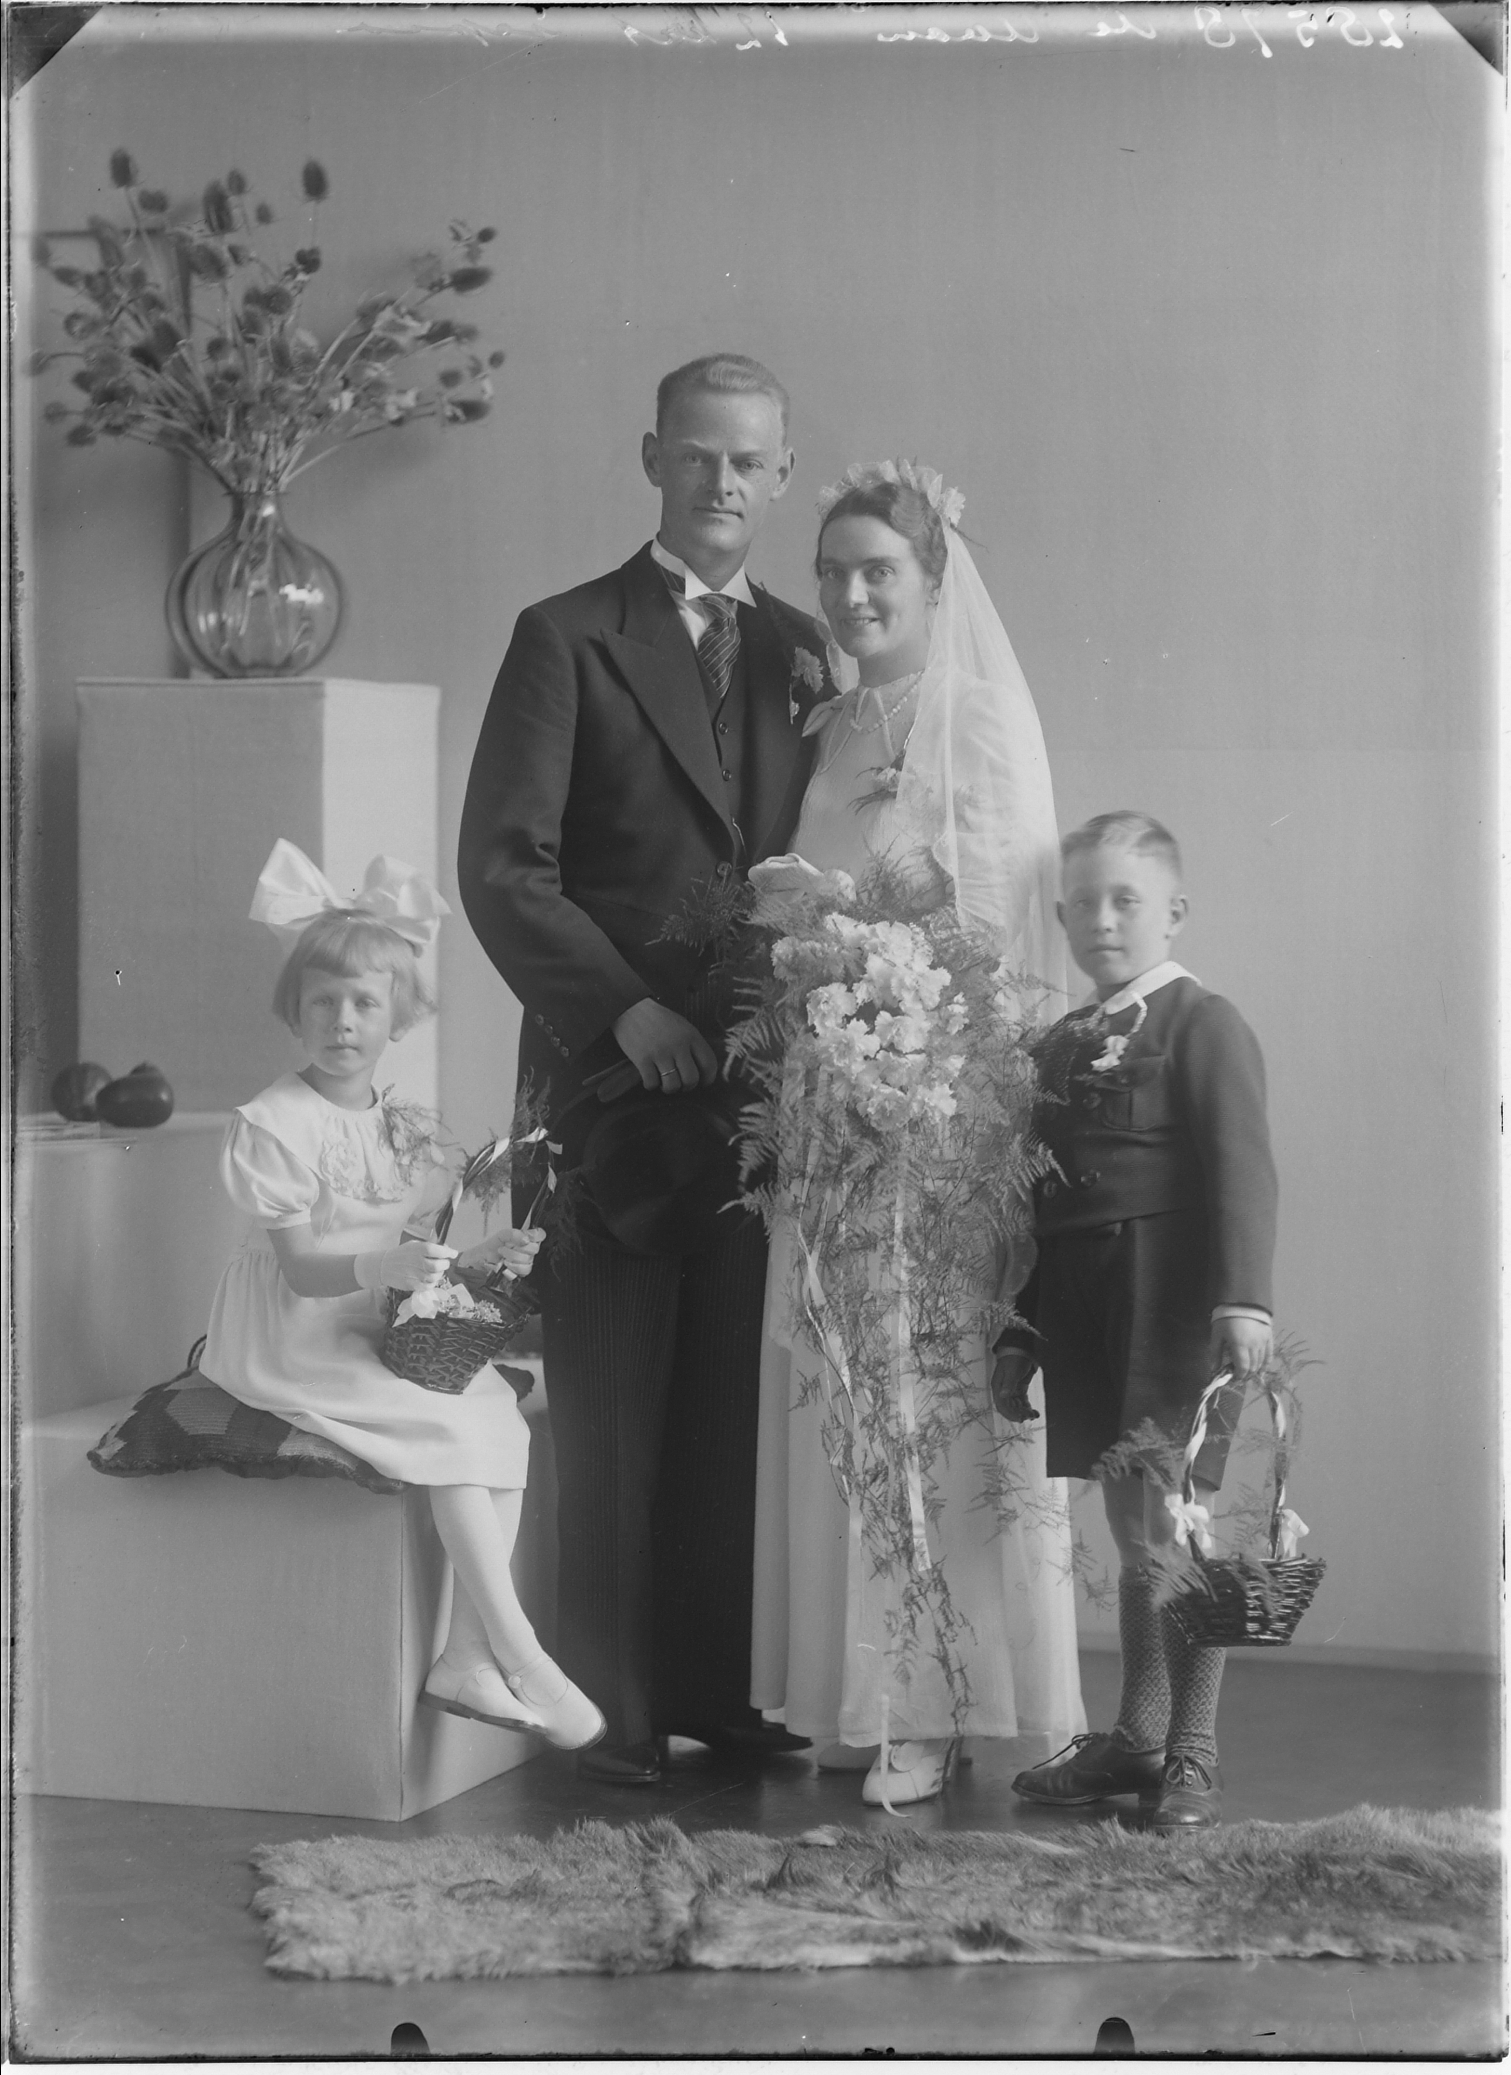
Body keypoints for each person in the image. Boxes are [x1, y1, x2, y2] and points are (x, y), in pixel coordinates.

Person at [456, 354, 829, 1785]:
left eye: (747, 459)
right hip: (606, 1080)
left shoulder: (803, 651)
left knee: (722, 1398)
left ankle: (706, 1688)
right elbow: (504, 868)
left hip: (748, 1084)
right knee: (609, 1404)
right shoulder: (564, 635)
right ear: (651, 458)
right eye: (695, 454)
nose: (720, 480)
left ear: (780, 472)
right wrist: (621, 1011)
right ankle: (601, 1700)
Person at [749, 462, 1087, 1807]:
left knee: (927, 1398)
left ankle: (941, 1704)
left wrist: (877, 975)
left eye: (878, 569)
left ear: (933, 582)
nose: (850, 593)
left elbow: (998, 927)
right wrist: (808, 950)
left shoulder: (978, 718)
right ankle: (864, 1695)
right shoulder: (831, 725)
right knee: (846, 1389)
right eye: (832, 569)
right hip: (834, 1092)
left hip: (936, 1099)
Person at [199, 839, 604, 1753]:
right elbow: (305, 1270)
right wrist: (385, 1267)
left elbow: (411, 1255)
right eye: (322, 1001)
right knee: (448, 1432)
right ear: (294, 1009)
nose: (342, 1021)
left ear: (397, 1017)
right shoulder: (274, 1123)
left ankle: (465, 1653)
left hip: (370, 1320)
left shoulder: (397, 1121)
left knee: (495, 1415)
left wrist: (474, 1257)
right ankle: (521, 1651)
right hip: (290, 1331)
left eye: (364, 1003)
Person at [995, 812, 1278, 1829]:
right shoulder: (1057, 1043)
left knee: (1174, 1524)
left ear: (1174, 911)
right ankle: (1136, 1738)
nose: (1101, 919)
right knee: (1127, 1529)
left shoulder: (1202, 1023)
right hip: (1083, 1306)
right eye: (1082, 902)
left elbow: (1241, 1168)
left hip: (1171, 1302)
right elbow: (1037, 1202)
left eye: (1125, 899)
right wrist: (1019, 1331)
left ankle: (1190, 1746)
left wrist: (1242, 1298)